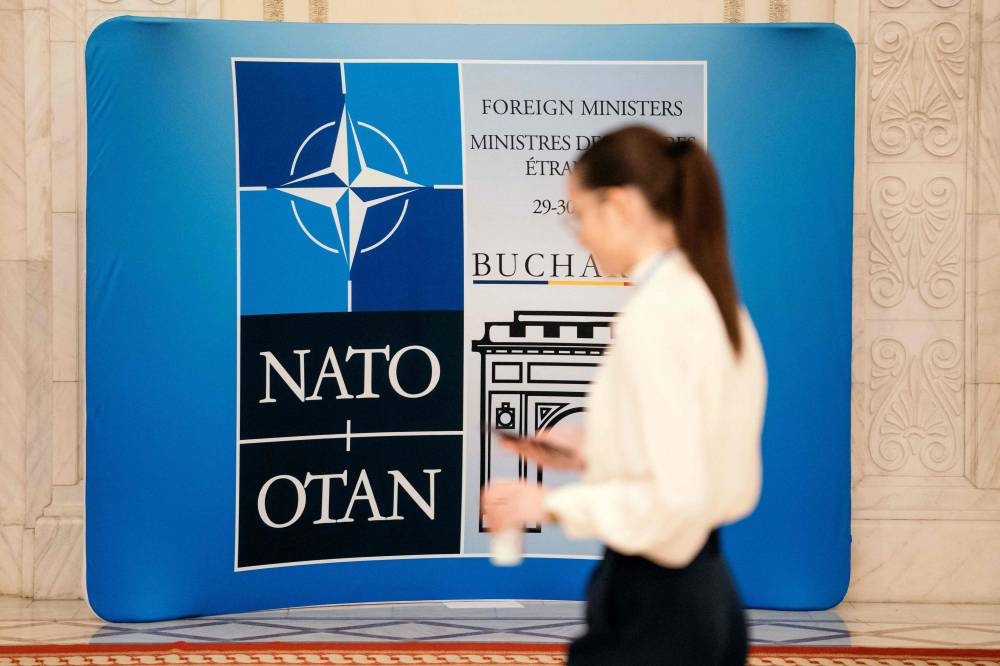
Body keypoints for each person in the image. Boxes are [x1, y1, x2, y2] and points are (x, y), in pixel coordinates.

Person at [482, 125, 768, 665]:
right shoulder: (713, 302)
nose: (580, 235)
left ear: (618, 206)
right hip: (712, 599)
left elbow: (673, 501)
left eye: (579, 214)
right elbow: (697, 459)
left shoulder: (656, 317)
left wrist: (543, 502)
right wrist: (593, 451)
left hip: (655, 610)